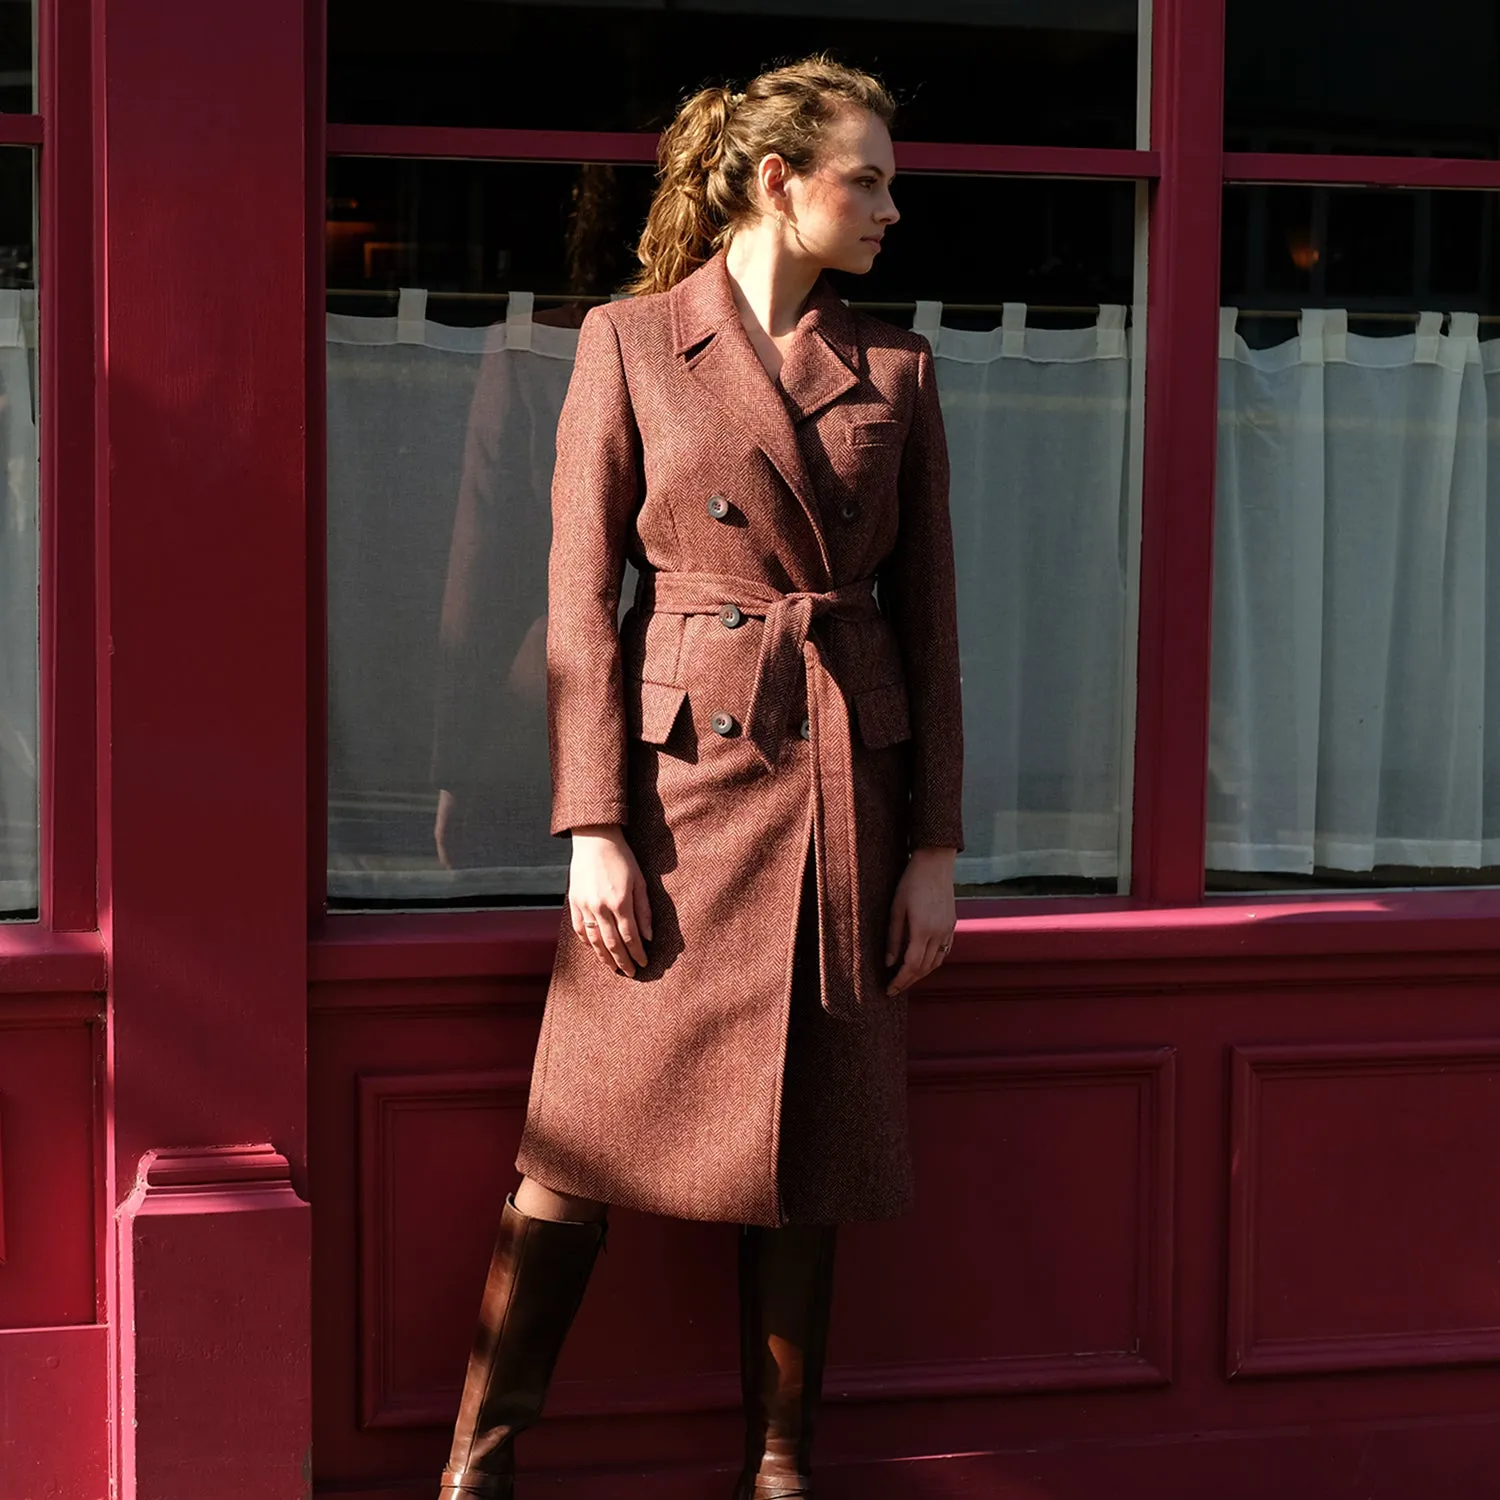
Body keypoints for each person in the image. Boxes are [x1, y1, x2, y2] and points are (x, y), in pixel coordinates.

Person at [438, 53, 964, 1500]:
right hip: (674, 809)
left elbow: (932, 624)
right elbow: (572, 602)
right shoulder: (626, 343)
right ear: (777, 181)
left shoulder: (898, 371)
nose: (891, 209)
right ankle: (479, 1468)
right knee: (571, 1147)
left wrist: (938, 847)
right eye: (867, 180)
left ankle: (782, 1469)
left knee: (810, 1153)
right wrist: (593, 823)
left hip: (838, 801)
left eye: (892, 183)